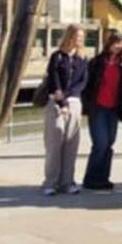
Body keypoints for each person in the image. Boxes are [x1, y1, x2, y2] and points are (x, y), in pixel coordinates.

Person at [42, 24, 87, 197]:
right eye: (77, 36)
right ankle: (50, 182)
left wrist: (67, 95)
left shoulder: (82, 59)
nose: (79, 40)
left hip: (74, 102)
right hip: (56, 103)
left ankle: (67, 182)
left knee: (71, 144)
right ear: (70, 37)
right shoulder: (57, 57)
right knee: (54, 143)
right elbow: (53, 78)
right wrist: (60, 100)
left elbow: (82, 82)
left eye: (82, 37)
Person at [80, 31, 122, 191]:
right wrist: (86, 106)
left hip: (112, 109)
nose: (117, 47)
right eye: (115, 43)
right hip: (98, 107)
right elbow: (86, 85)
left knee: (109, 143)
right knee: (100, 143)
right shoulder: (97, 63)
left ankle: (103, 178)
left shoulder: (120, 67)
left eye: (120, 44)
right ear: (109, 44)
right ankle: (91, 178)